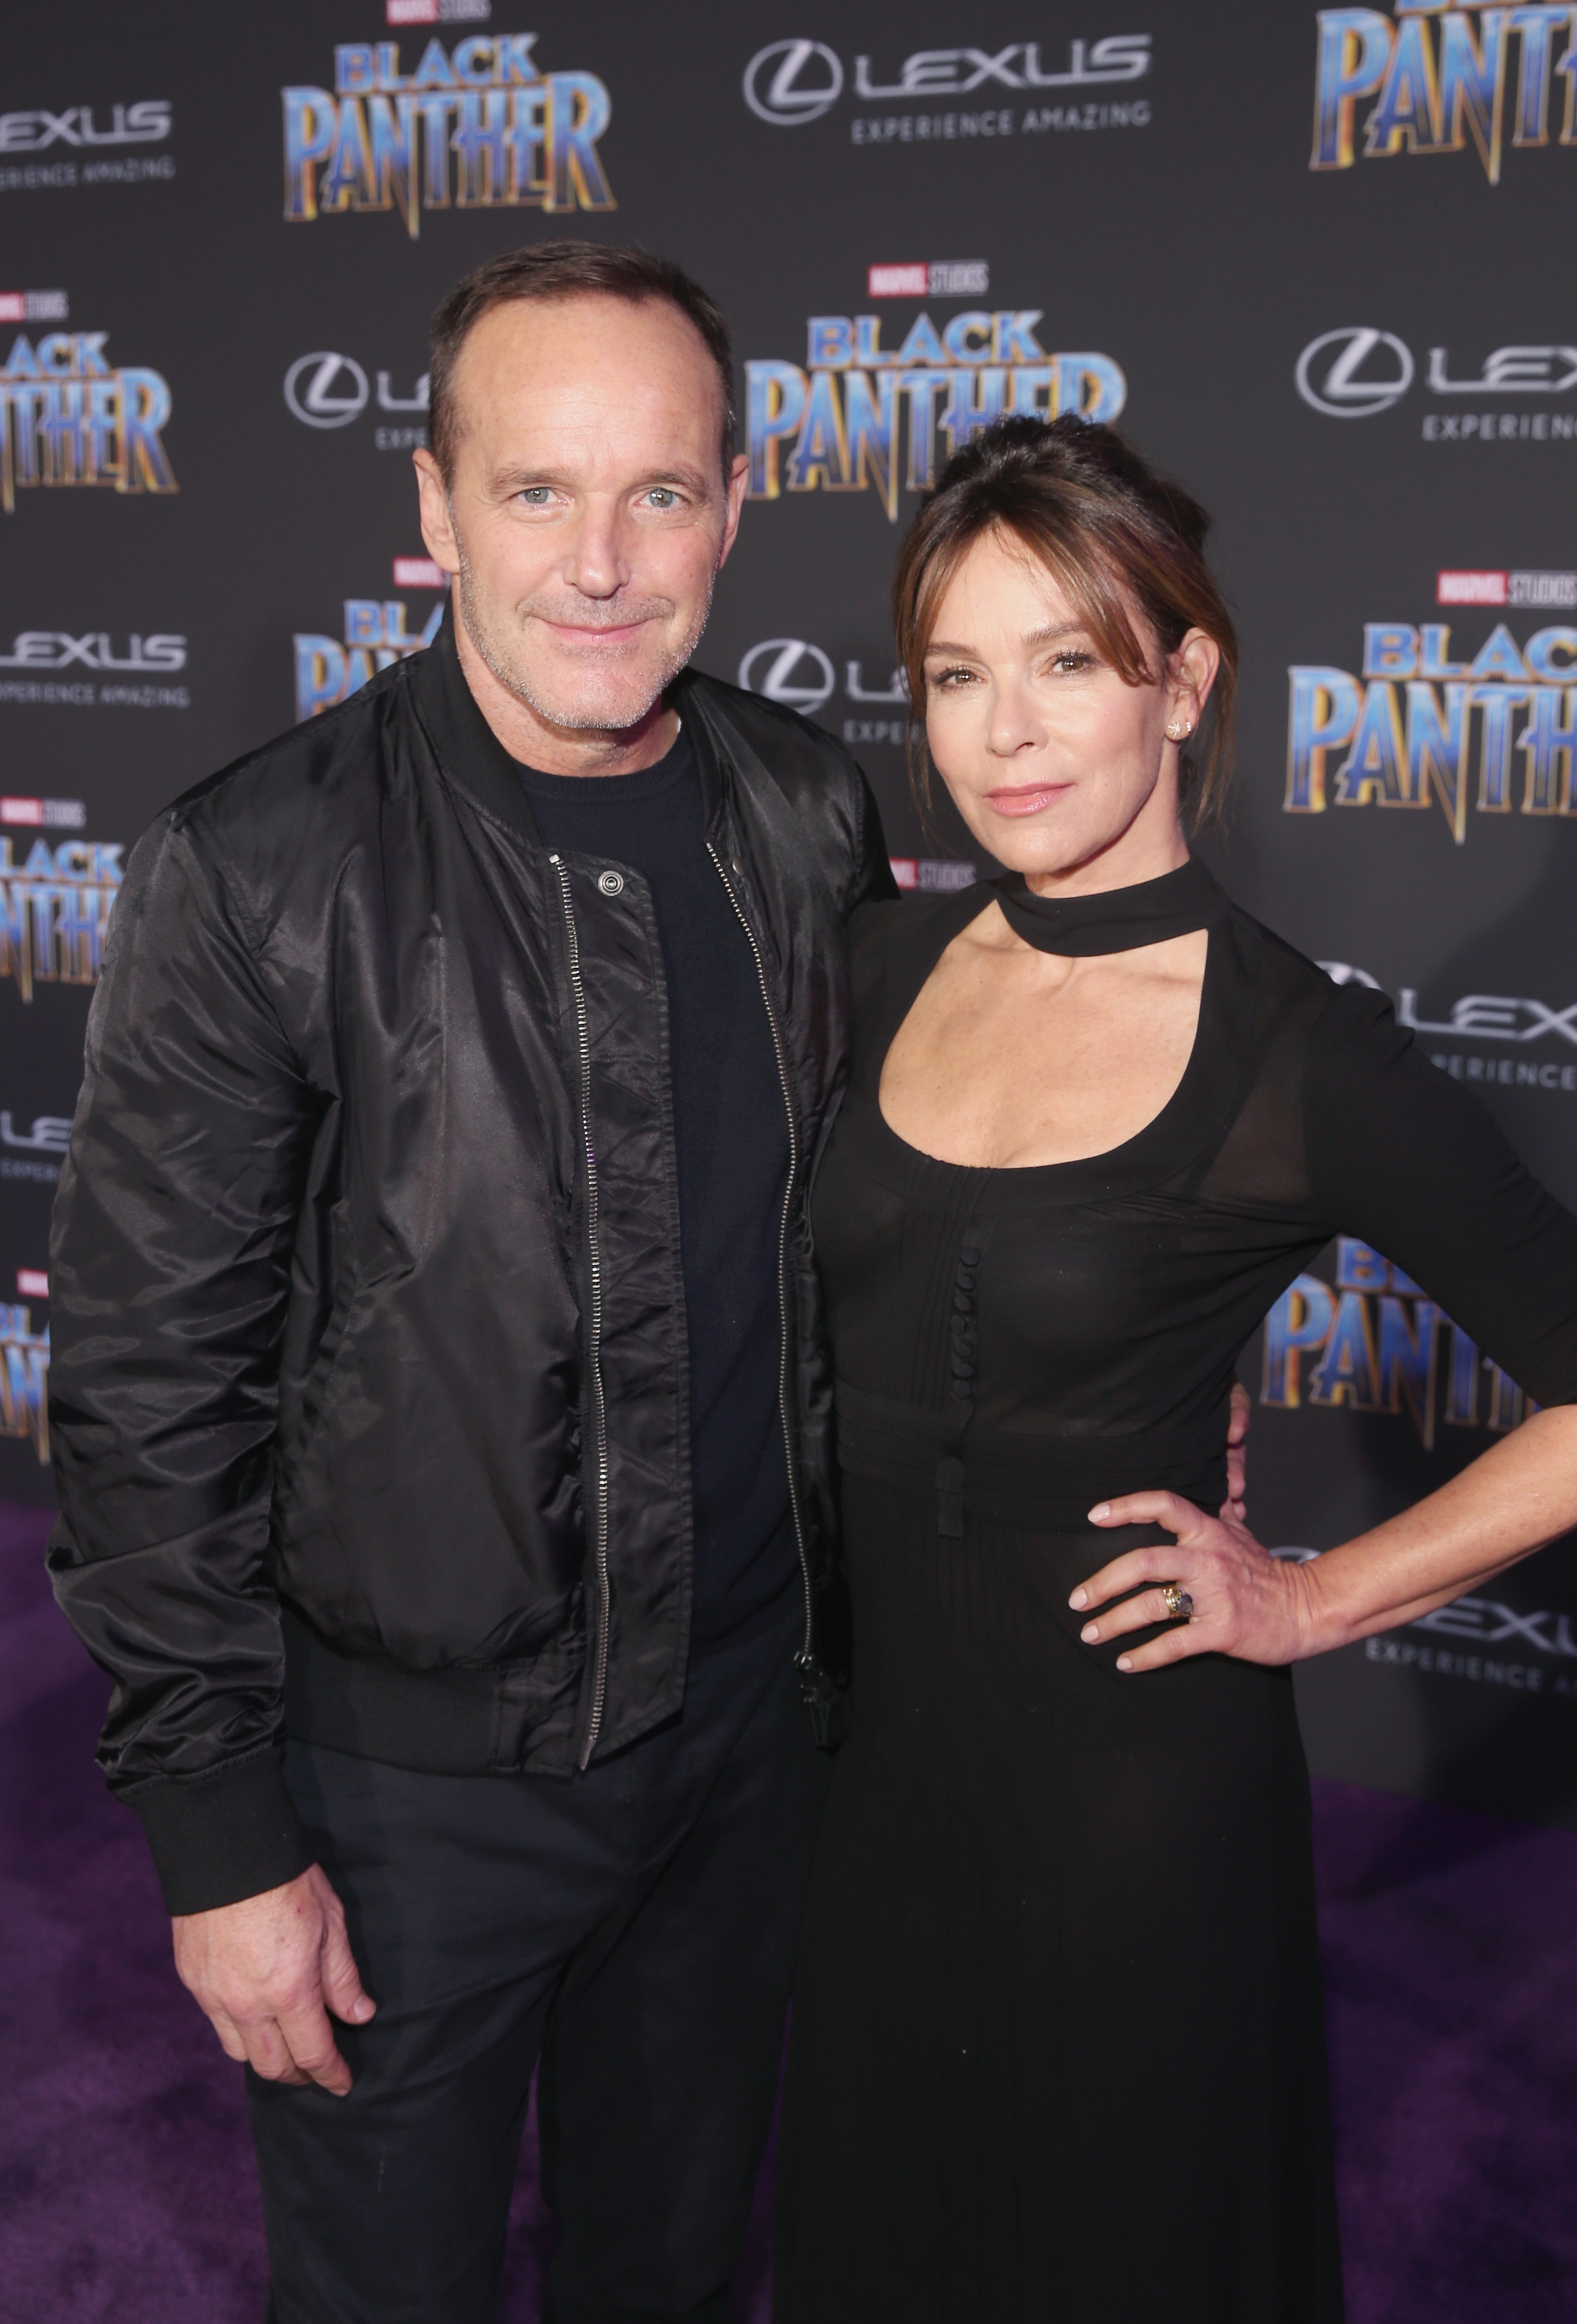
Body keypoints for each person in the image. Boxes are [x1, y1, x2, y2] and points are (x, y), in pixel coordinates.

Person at [46, 240, 896, 2324]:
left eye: (659, 492)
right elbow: (150, 1382)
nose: (600, 563)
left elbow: (883, 1232)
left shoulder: (803, 811)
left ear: (733, 504)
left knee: (672, 2275)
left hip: (748, 1746)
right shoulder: (256, 865)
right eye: (536, 490)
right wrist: (221, 1837)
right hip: (405, 1793)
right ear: (433, 505)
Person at [771, 414, 1577, 2324]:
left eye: (1068, 660)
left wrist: (1310, 1596)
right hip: (862, 1773)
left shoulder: (1297, 1053)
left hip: (1128, 1796)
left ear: (1184, 680)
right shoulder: (876, 963)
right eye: (955, 675)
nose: (1005, 732)